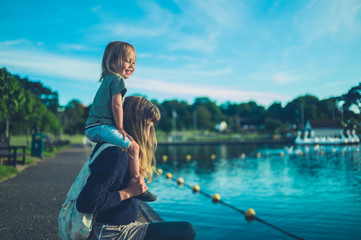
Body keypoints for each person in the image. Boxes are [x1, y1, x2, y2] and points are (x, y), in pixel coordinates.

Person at [77, 96, 196, 240]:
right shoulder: (117, 155)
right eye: (147, 126)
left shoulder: (121, 150)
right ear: (135, 123)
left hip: (121, 227)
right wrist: (128, 192)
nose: (148, 133)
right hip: (110, 233)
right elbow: (86, 202)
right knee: (186, 230)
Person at [85, 41, 156, 202]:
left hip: (94, 126)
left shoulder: (108, 79)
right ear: (112, 62)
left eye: (134, 62)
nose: (131, 65)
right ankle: (137, 183)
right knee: (134, 146)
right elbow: (116, 105)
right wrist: (121, 128)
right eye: (127, 60)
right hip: (100, 127)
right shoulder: (118, 80)